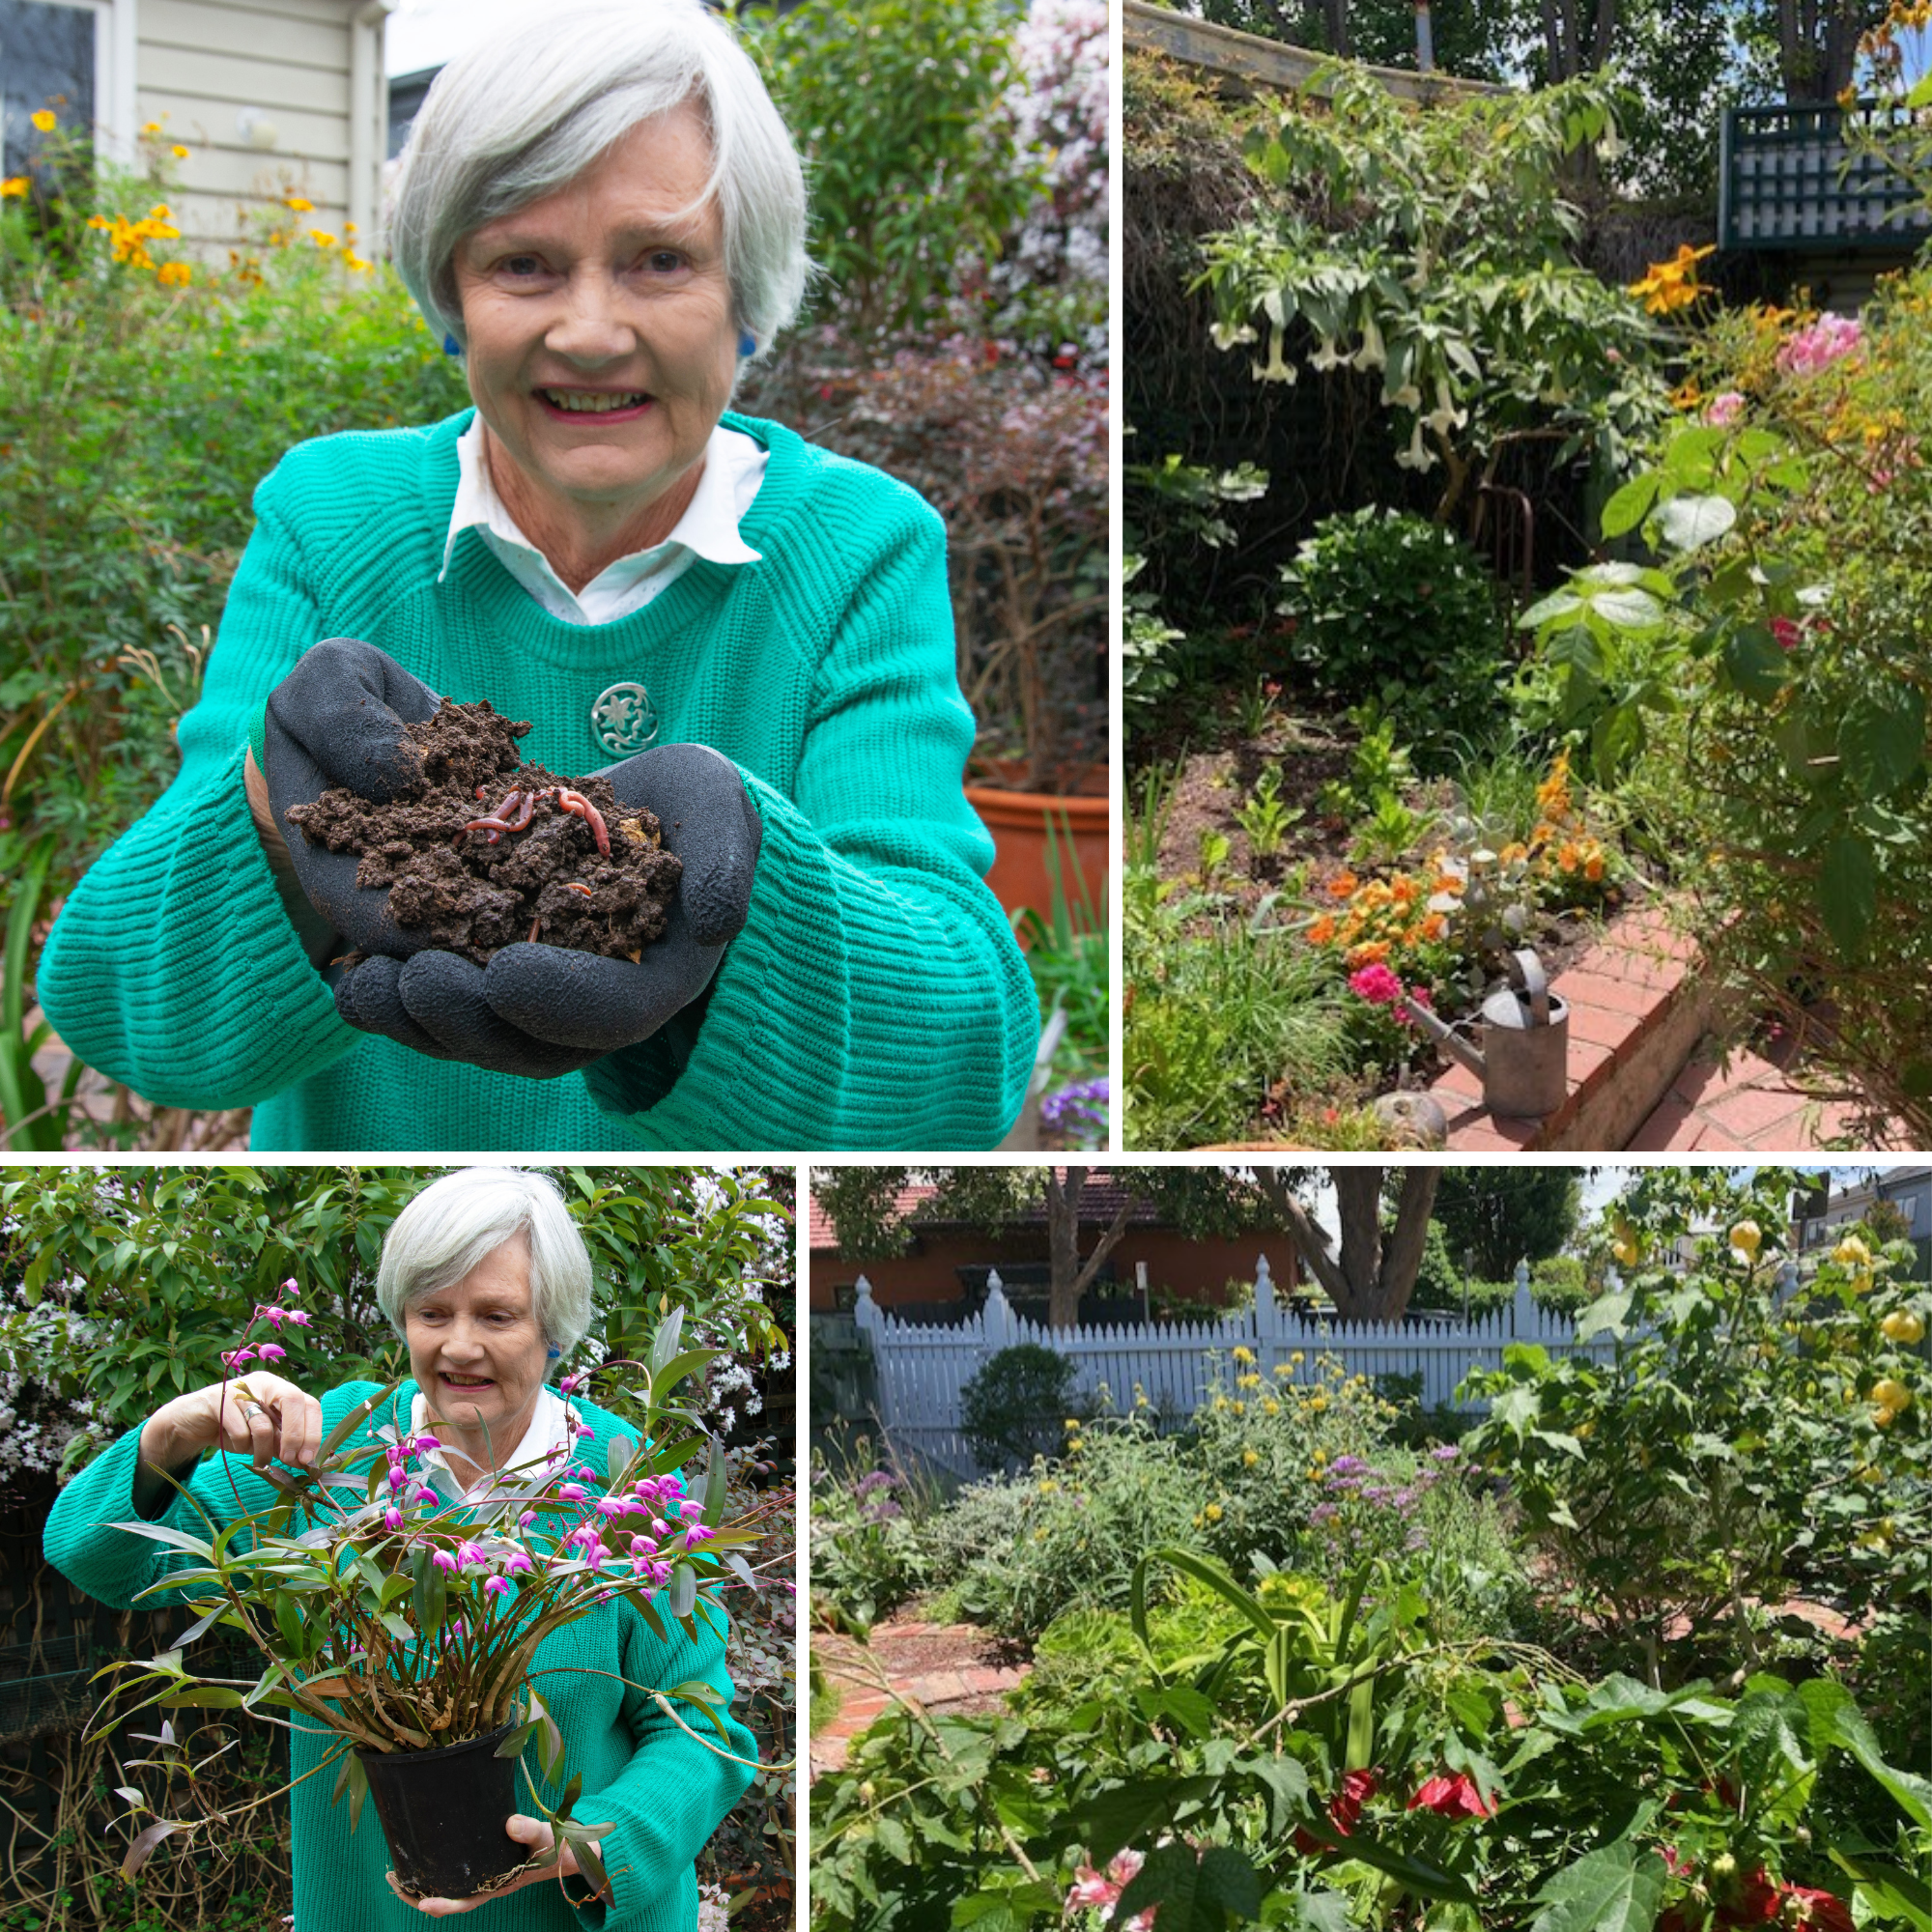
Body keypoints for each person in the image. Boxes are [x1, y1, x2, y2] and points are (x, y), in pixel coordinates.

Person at [36, 0, 1038, 1152]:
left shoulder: (856, 547)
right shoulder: (330, 517)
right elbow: (124, 1008)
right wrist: (271, 815)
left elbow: (961, 1069)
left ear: (744, 299)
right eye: (523, 264)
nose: (590, 330)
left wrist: (749, 904)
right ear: (453, 303)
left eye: (660, 259)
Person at [43, 1167, 756, 1928]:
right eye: (431, 1311)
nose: (459, 1345)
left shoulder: (628, 1481)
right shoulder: (325, 1456)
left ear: (554, 1329)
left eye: (497, 1316)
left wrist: (597, 1845)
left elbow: (702, 1729)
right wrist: (170, 1436)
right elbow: (93, 1556)